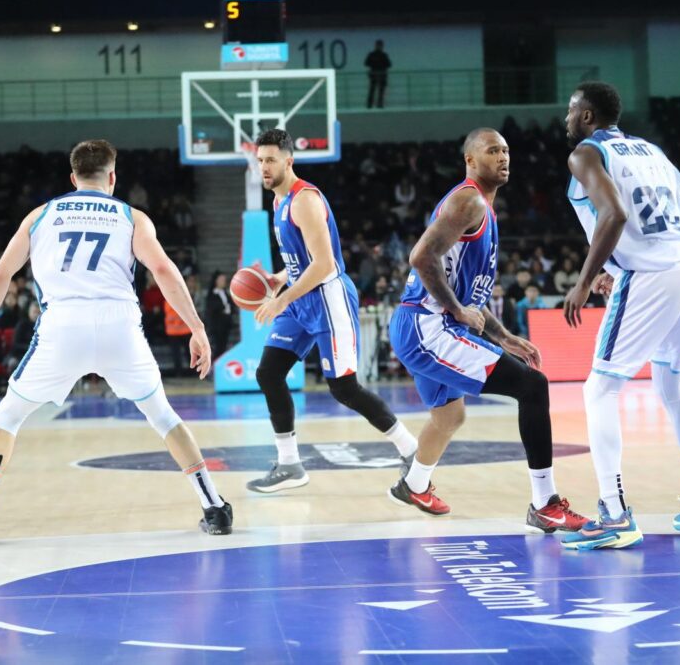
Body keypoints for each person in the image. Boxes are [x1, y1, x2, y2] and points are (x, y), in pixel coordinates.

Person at [0, 139, 231, 546]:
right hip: (119, 325)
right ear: (112, 177)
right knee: (164, 417)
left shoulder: (40, 215)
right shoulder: (132, 217)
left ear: (73, 177)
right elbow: (165, 271)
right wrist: (197, 328)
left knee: (7, 419)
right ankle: (214, 508)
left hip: (62, 326)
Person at [387, 127, 589, 532]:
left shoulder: (484, 210)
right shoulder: (469, 199)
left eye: (506, 150)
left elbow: (472, 295)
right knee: (532, 386)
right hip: (427, 326)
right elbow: (420, 257)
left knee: (449, 417)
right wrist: (457, 309)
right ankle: (544, 503)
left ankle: (414, 483)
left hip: (425, 325)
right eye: (492, 150)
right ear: (470, 160)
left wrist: (502, 336)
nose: (503, 157)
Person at [560, 81, 680, 551]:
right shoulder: (652, 150)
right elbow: (674, 215)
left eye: (572, 110)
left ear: (588, 116)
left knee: (599, 388)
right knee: (671, 386)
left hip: (653, 274)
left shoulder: (586, 155)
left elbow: (613, 216)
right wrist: (616, 266)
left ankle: (614, 513)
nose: (567, 118)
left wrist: (586, 279)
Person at [247, 129, 419, 493]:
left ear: (288, 161)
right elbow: (301, 261)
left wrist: (282, 299)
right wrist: (278, 278)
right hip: (301, 299)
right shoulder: (278, 203)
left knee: (344, 388)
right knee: (268, 372)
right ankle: (290, 465)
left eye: (271, 160)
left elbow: (324, 264)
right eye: (260, 160)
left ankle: (411, 449)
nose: (264, 166)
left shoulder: (303, 200)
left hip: (328, 298)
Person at [205, 271, 234, 359]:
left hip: (225, 324)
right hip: (217, 326)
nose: (223, 281)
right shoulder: (212, 294)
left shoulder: (225, 293)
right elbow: (212, 309)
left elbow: (231, 305)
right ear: (216, 281)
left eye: (224, 280)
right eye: (221, 279)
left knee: (223, 347)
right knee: (217, 348)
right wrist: (224, 307)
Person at [364, 40, 392, 109]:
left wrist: (375, 64)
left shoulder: (381, 55)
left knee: (380, 91)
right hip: (376, 75)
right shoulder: (379, 55)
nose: (379, 47)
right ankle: (370, 105)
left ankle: (378, 104)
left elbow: (389, 64)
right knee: (373, 90)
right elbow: (366, 63)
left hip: (379, 75)